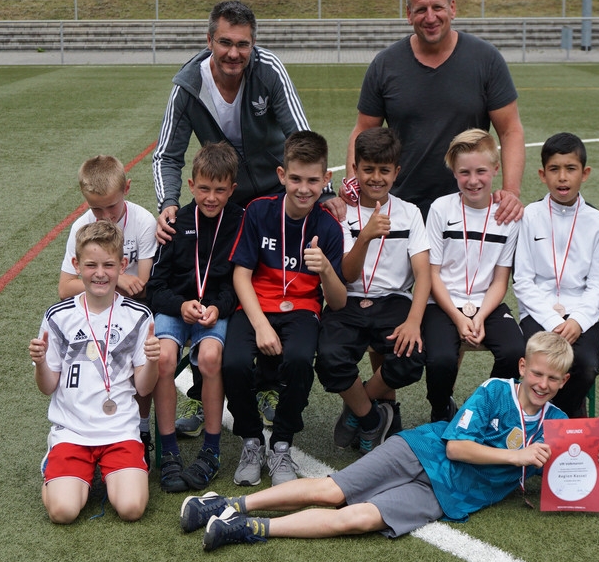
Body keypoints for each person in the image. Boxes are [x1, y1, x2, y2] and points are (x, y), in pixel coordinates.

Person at [178, 332, 599, 551]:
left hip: (449, 495)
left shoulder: (560, 424)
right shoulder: (495, 390)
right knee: (333, 491)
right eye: (537, 373)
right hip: (423, 451)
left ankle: (249, 528)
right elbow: (456, 448)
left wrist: (594, 462)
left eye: (553, 378)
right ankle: (228, 504)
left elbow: (561, 479)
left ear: (564, 382)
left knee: (358, 519)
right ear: (522, 367)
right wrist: (517, 456)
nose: (542, 383)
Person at [151, 0, 315, 435]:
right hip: (222, 200)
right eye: (225, 42)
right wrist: (168, 202)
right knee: (210, 283)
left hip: (273, 195)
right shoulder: (188, 85)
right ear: (209, 41)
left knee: (272, 285)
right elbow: (167, 154)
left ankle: (267, 385)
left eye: (243, 44)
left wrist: (323, 193)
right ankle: (202, 390)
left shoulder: (269, 71)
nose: (234, 53)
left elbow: (299, 135)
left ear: (253, 45)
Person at [343, 0, 525, 224]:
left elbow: (510, 130)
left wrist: (511, 191)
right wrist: (353, 184)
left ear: (452, 8)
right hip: (401, 209)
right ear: (409, 14)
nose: (430, 17)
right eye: (421, 10)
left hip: (468, 206)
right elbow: (363, 130)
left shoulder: (486, 60)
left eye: (437, 7)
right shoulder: (385, 64)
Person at [223, 130, 347, 487]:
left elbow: (338, 301)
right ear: (282, 175)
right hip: (256, 305)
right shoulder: (259, 211)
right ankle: (251, 440)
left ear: (326, 179)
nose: (304, 189)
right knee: (234, 362)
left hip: (302, 308)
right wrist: (261, 325)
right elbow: (241, 276)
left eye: (313, 180)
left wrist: (325, 269)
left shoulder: (329, 227)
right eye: (295, 179)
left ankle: (281, 444)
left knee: (299, 359)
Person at [29, 220, 160, 524]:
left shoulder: (138, 315)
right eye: (91, 265)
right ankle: (56, 464)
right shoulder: (58, 316)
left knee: (131, 509)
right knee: (63, 512)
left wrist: (153, 361)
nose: (100, 273)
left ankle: (107, 473)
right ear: (76, 266)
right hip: (72, 432)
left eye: (108, 265)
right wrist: (41, 363)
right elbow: (47, 387)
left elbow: (143, 388)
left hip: (120, 430)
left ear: (122, 266)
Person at [315, 127, 429, 454]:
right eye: (368, 169)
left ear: (397, 171)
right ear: (355, 169)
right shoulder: (340, 213)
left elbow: (423, 274)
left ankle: (358, 405)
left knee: (411, 357)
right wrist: (364, 235)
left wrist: (414, 321)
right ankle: (371, 418)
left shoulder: (409, 213)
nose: (376, 178)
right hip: (347, 299)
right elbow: (347, 274)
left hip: (393, 301)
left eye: (384, 170)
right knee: (329, 358)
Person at [146, 143, 244, 493]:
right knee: (164, 358)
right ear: (190, 185)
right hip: (177, 307)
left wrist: (219, 307)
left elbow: (239, 281)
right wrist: (180, 305)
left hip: (214, 309)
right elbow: (155, 286)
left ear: (232, 189)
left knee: (210, 357)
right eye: (204, 188)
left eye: (220, 190)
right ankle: (170, 450)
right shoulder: (175, 222)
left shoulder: (240, 222)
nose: (211, 197)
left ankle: (211, 451)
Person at [422, 129, 524, 423]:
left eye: (481, 171)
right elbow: (432, 274)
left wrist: (479, 317)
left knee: (515, 351)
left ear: (496, 169)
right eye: (464, 172)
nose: (473, 180)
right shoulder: (441, 208)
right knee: (440, 359)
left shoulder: (507, 217)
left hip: (486, 304)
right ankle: (441, 409)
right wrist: (458, 318)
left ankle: (483, 409)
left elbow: (500, 281)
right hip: (443, 303)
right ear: (454, 173)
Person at [58, 155, 158, 453]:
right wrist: (119, 280)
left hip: (134, 310)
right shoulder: (81, 226)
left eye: (111, 206)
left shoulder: (142, 221)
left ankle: (141, 426)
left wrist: (117, 283)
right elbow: (65, 287)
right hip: (96, 308)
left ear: (127, 188)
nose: (104, 216)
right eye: (95, 209)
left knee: (139, 355)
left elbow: (141, 285)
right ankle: (80, 424)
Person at [514, 133, 599, 418]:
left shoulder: (596, 220)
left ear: (584, 173)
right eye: (554, 169)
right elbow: (522, 281)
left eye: (570, 169)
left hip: (581, 314)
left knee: (586, 365)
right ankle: (553, 418)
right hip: (538, 313)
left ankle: (558, 417)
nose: (562, 177)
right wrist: (554, 321)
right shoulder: (529, 215)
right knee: (538, 364)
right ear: (542, 175)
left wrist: (577, 320)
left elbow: (597, 284)